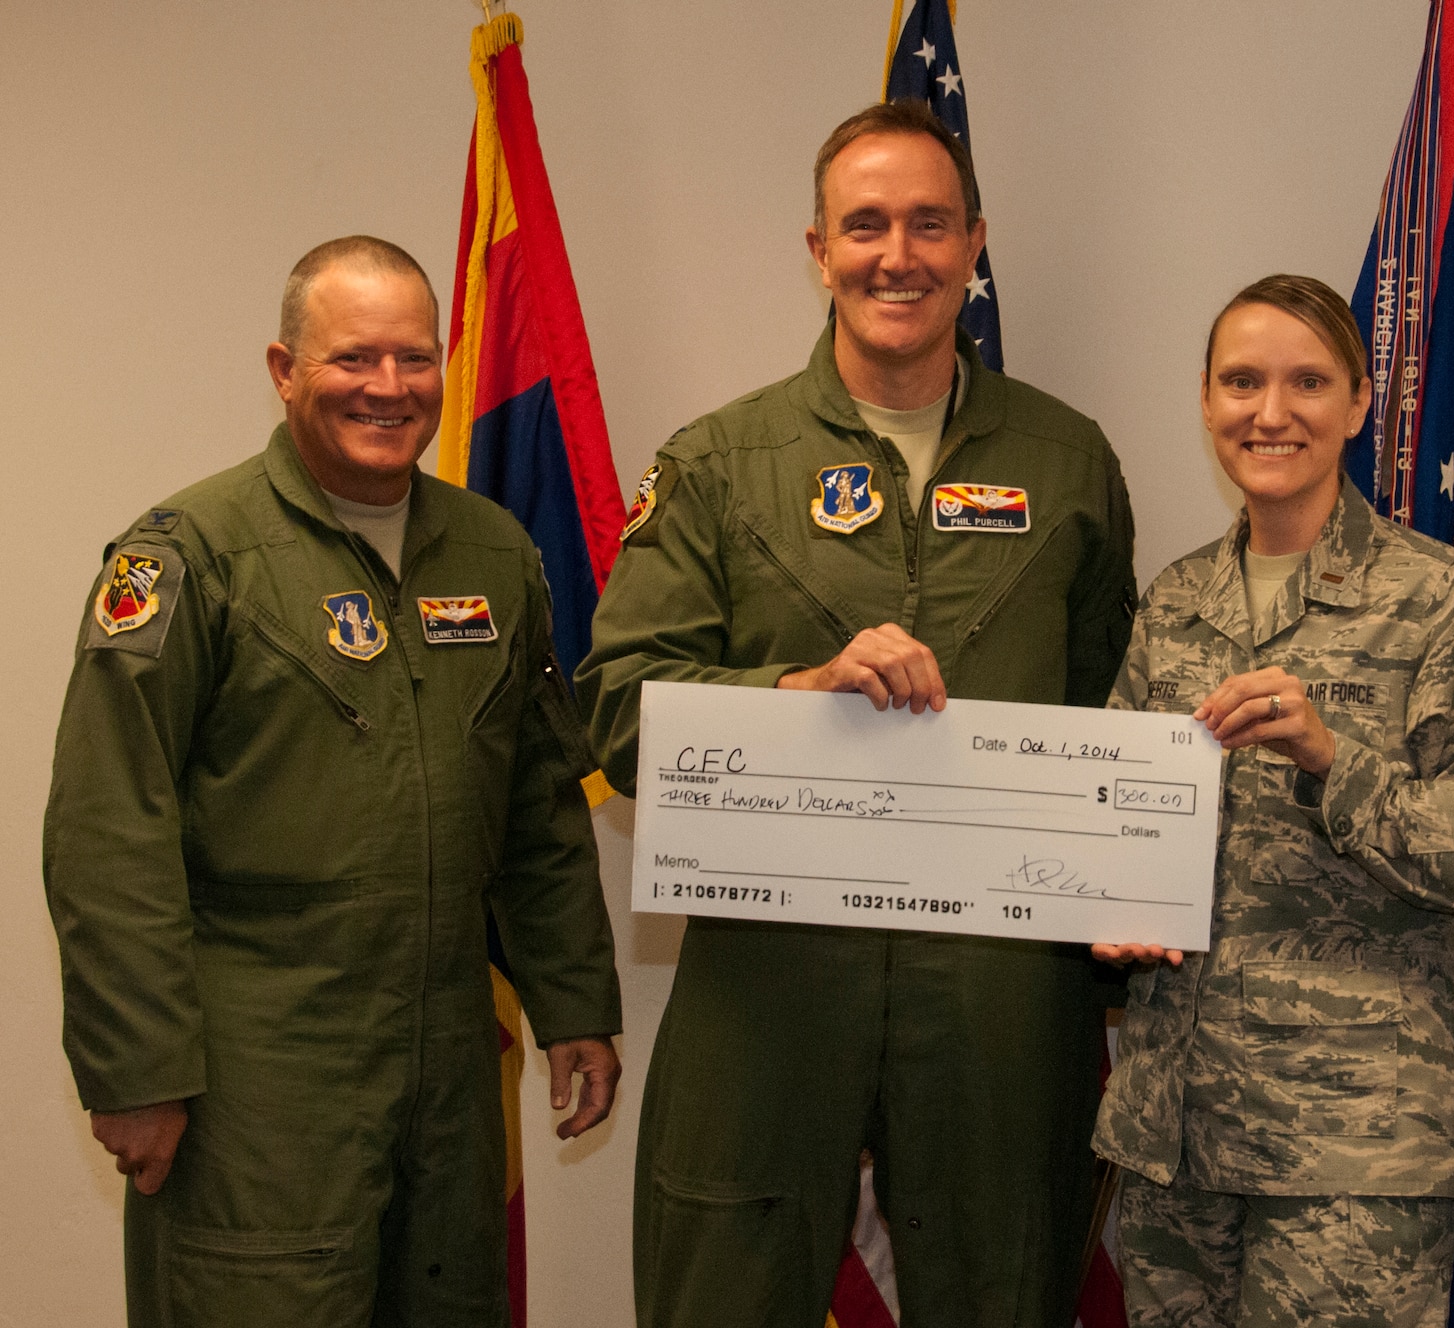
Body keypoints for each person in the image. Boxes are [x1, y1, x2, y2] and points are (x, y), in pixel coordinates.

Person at [575, 101, 1136, 1327]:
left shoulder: (1068, 460)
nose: (899, 254)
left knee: (1005, 1284)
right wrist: (797, 694)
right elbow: (615, 716)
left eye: (929, 223)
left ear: (974, 242)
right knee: (722, 1286)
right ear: (817, 247)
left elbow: (1109, 717)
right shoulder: (721, 463)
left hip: (995, 1003)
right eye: (866, 224)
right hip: (770, 988)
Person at [44, 235, 624, 1328]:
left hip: (449, 1069)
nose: (389, 388)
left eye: (413, 358)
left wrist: (573, 1000)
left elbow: (537, 807)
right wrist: (134, 1069)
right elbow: (108, 825)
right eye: (354, 358)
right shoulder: (190, 556)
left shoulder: (494, 554)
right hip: (256, 1076)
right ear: (283, 367)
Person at [1090, 274, 1454, 1326]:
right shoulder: (1173, 601)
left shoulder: (1438, 599)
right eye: (1241, 381)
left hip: (1353, 1147)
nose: (1269, 411)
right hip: (1172, 1134)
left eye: (1305, 382)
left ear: (1356, 404)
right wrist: (1102, 907)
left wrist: (1333, 760)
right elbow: (1113, 813)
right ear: (1205, 401)